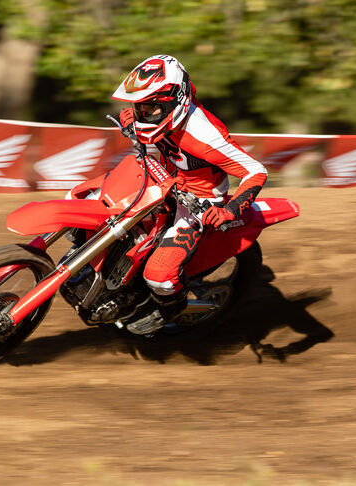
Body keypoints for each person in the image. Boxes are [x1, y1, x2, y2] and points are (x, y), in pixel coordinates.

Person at [111, 54, 267, 333]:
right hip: (162, 177)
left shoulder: (205, 137)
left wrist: (228, 210)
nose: (143, 114)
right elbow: (150, 129)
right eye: (139, 107)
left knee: (159, 277)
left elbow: (255, 171)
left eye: (150, 108)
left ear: (176, 99)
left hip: (197, 201)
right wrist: (135, 119)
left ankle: (171, 306)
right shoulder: (162, 114)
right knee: (95, 198)